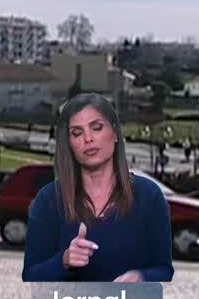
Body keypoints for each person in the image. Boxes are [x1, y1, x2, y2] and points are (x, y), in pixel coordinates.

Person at [22, 92, 174, 282]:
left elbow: (164, 269)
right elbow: (30, 275)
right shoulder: (49, 200)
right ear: (68, 144)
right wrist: (64, 261)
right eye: (77, 133)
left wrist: (141, 277)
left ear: (115, 133)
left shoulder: (149, 196)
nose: (88, 138)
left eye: (97, 128)